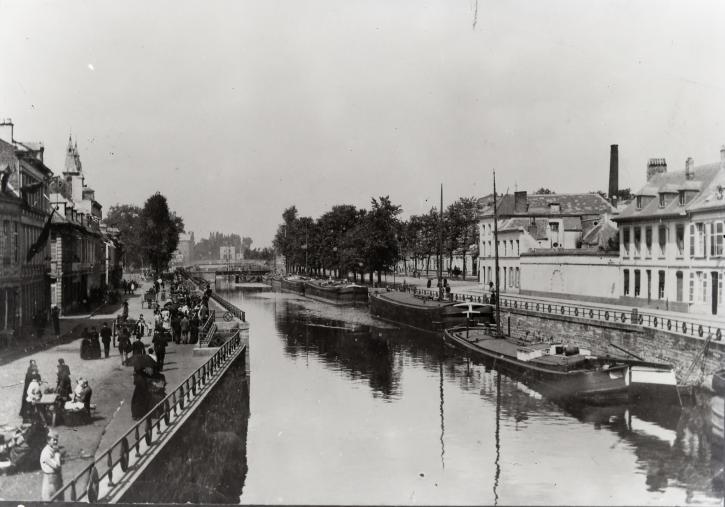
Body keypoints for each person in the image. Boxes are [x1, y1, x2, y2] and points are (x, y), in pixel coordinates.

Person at [40, 429, 63, 501]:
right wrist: (57, 455)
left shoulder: (53, 449)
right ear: (48, 441)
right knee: (52, 499)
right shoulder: (46, 452)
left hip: (56, 477)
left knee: (59, 498)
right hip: (50, 479)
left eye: (56, 440)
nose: (56, 442)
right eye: (54, 440)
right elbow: (57, 466)